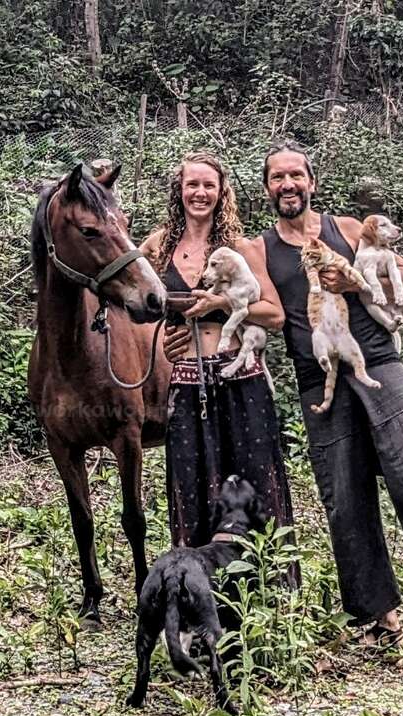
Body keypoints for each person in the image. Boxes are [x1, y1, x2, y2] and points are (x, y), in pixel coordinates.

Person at [189, 139, 403, 653]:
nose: (287, 185)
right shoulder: (259, 249)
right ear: (267, 188)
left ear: (311, 182)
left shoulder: (350, 230)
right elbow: (265, 310)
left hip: (378, 361)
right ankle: (380, 617)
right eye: (277, 178)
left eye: (295, 175)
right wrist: (216, 304)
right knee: (345, 497)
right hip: (320, 379)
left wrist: (353, 279)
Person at [141, 152, 298, 587]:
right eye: (192, 184)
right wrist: (161, 336)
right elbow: (134, 302)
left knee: (254, 485)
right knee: (192, 489)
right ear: (179, 190)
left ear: (221, 192)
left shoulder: (240, 248)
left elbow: (273, 313)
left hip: (240, 379)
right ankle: (200, 593)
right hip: (186, 383)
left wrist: (220, 303)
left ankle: (268, 594)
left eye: (209, 185)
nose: (200, 193)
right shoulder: (158, 247)